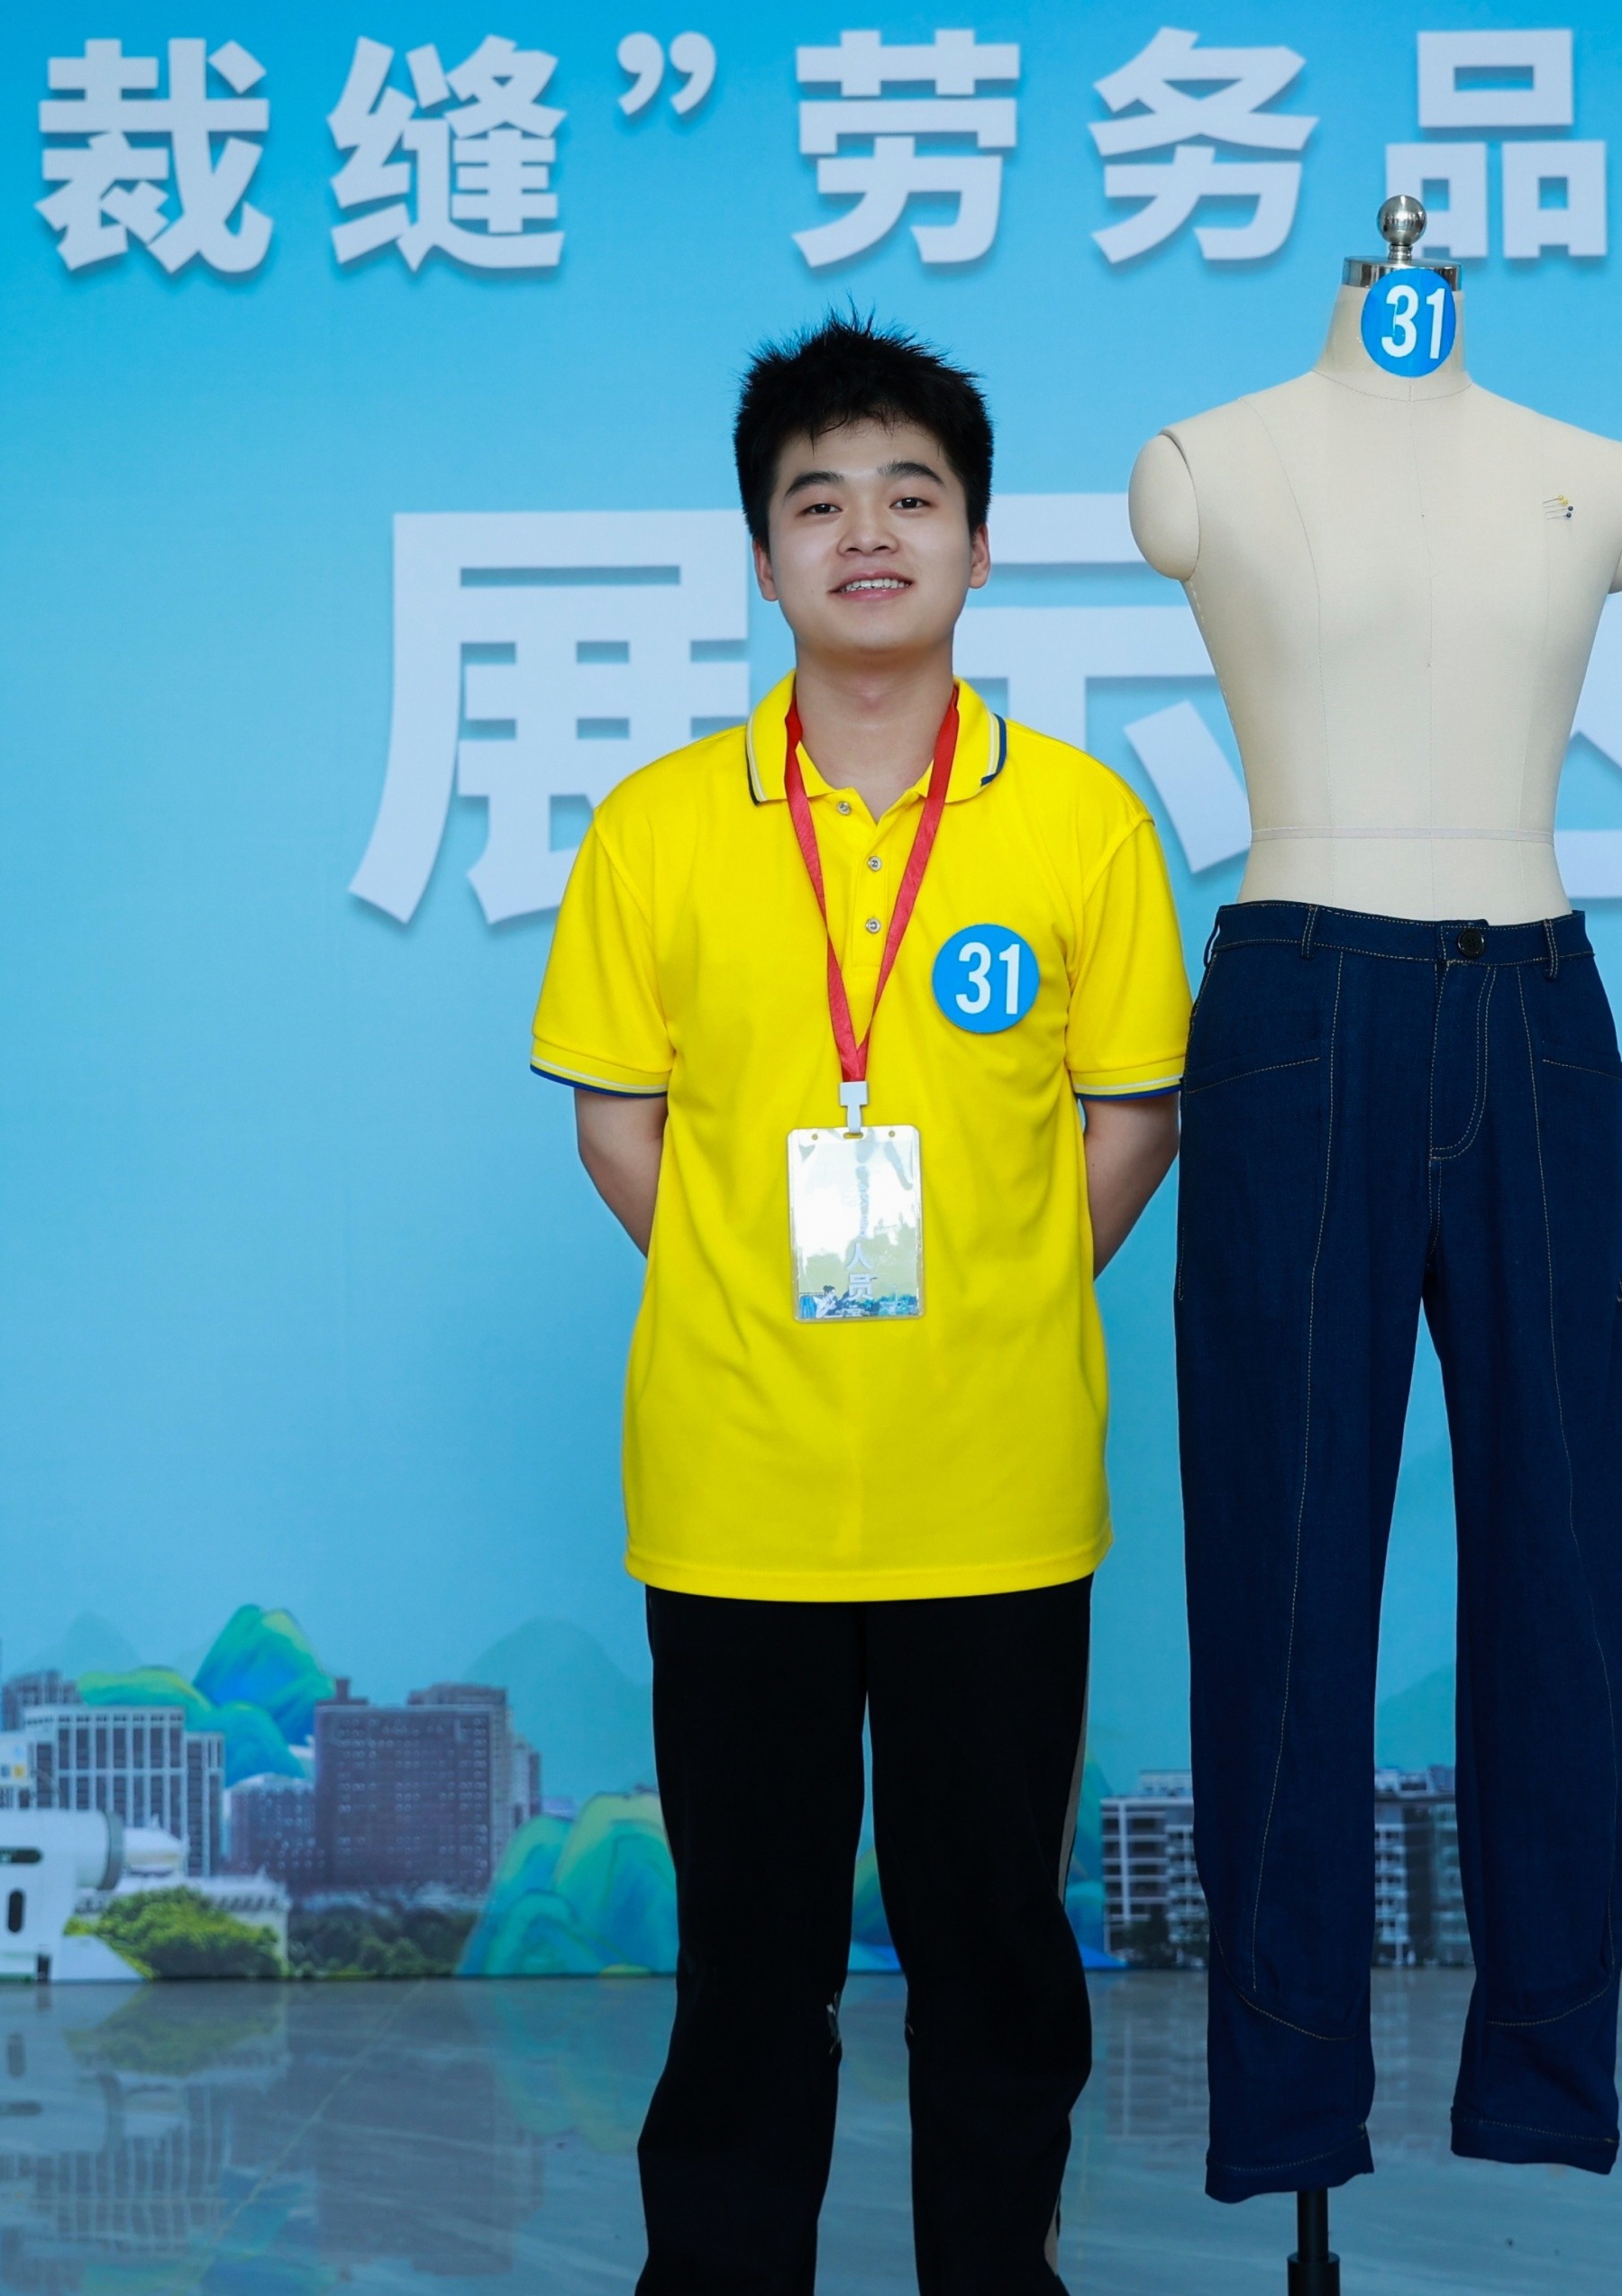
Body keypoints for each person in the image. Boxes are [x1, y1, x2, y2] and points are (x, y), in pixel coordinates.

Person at [533, 313, 1191, 2294]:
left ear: (983, 544)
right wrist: (758, 1284)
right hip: (736, 1497)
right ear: (761, 560)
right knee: (751, 1966)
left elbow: (1134, 1119)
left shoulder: (1081, 822)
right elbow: (619, 1123)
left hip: (997, 1495)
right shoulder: (660, 827)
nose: (868, 533)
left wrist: (993, 1286)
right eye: (817, 502)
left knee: (998, 1951)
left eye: (913, 494)